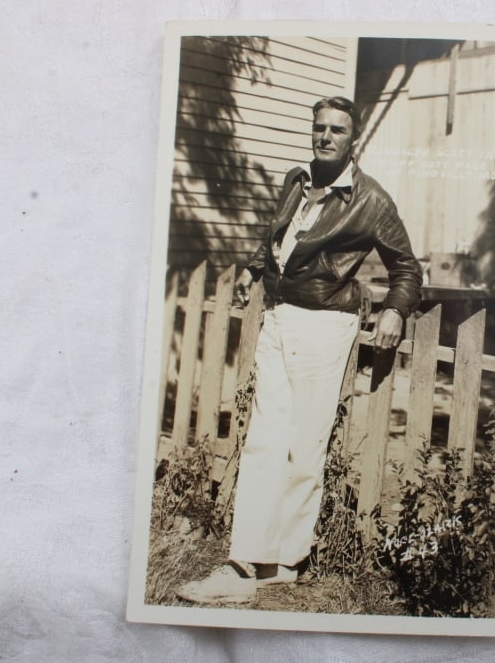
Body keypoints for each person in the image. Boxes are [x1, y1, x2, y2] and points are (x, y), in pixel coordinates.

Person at [177, 95, 422, 604]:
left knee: (304, 446)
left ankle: (283, 562)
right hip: (278, 318)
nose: (325, 137)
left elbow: (407, 267)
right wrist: (251, 270)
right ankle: (246, 563)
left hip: (324, 325)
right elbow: (276, 238)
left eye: (337, 130)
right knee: (264, 438)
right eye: (319, 128)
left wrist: (396, 309)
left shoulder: (370, 198)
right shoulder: (297, 180)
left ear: (353, 139)